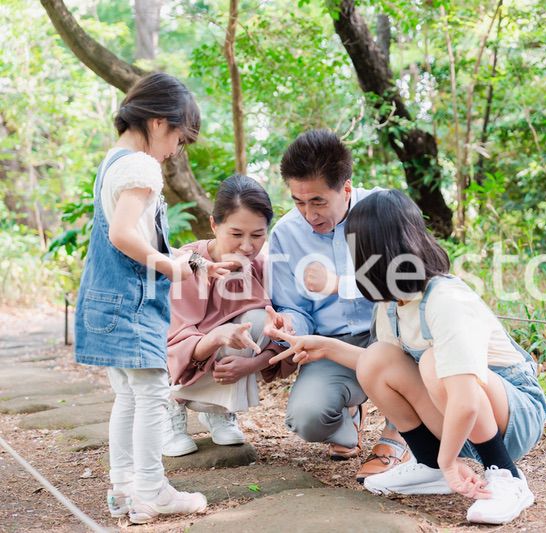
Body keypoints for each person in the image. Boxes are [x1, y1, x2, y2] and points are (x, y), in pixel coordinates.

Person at [267, 189, 546, 525]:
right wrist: (324, 346)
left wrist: (451, 460)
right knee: (377, 358)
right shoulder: (392, 304)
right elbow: (389, 370)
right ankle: (429, 466)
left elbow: (466, 398)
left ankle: (505, 475)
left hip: (513, 416)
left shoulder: (445, 298)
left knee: (432, 363)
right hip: (458, 415)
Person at [74, 73, 232, 524]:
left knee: (128, 394)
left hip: (106, 300)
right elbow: (126, 236)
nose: (175, 152)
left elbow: (137, 236)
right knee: (151, 394)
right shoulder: (142, 166)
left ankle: (124, 488)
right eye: (179, 140)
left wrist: (194, 262)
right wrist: (169, 267)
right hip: (132, 302)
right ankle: (152, 490)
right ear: (160, 122)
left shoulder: (114, 161)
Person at [268, 130, 409, 482]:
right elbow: (295, 307)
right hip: (332, 346)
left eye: (317, 201)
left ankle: (399, 432)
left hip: (393, 336)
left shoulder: (384, 210)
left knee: (412, 330)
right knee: (307, 418)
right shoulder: (286, 234)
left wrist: (341, 284)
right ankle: (350, 416)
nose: (307, 214)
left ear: (345, 189)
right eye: (298, 202)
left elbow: (412, 281)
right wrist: (290, 325)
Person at [163, 174, 295, 456]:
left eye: (257, 235)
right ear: (214, 224)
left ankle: (218, 409)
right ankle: (170, 407)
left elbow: (284, 335)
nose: (247, 246)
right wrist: (214, 338)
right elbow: (171, 345)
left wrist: (251, 364)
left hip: (223, 357)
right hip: (181, 363)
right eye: (236, 234)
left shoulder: (263, 265)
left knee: (260, 320)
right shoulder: (189, 263)